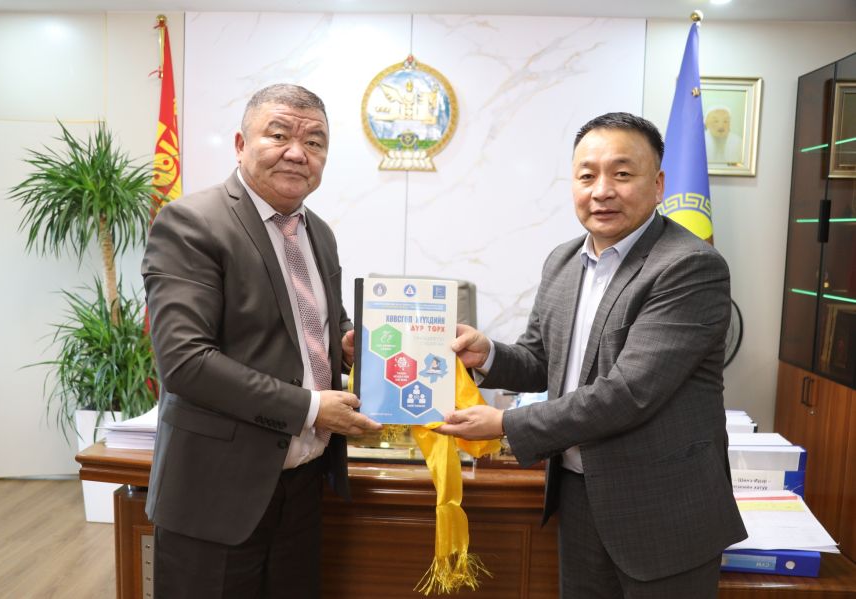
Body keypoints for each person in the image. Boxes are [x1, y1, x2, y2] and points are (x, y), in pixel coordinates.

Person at [436, 112, 747, 599]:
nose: (602, 191)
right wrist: (488, 354)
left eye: (621, 174)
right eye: (587, 176)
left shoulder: (689, 266)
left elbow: (628, 393)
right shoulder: (564, 260)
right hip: (581, 499)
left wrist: (505, 424)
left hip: (665, 512)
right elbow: (541, 360)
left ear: (658, 184)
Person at [142, 83, 382, 599]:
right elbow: (185, 363)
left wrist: (346, 343)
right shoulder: (192, 223)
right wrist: (311, 408)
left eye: (314, 142)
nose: (297, 153)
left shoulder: (318, 231)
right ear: (240, 144)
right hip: (215, 496)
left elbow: (315, 320)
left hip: (302, 487)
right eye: (279, 135)